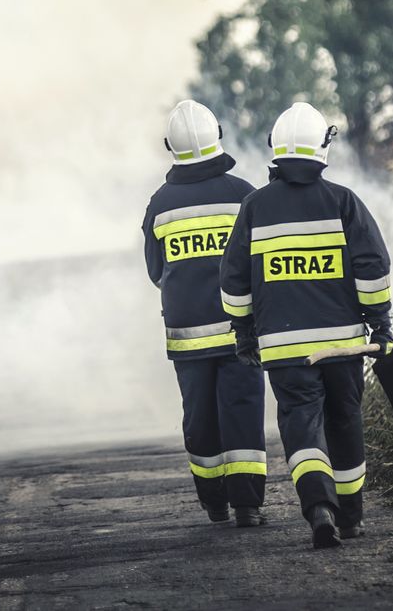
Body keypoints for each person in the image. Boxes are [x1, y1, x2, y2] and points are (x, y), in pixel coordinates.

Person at [219, 102, 393, 549]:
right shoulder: (343, 202)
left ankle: (319, 508)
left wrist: (243, 332)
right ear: (322, 148)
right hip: (343, 346)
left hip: (284, 349)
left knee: (302, 426)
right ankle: (352, 518)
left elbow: (234, 280)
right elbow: (372, 268)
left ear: (275, 149)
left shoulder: (254, 207)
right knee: (344, 421)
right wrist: (380, 323)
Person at [142, 100, 267, 527]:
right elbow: (263, 264)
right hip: (241, 333)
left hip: (188, 337)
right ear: (219, 135)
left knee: (200, 417)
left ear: (168, 146)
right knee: (243, 410)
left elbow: (155, 271)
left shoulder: (159, 204)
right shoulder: (243, 195)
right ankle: (248, 507)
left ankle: (214, 503)